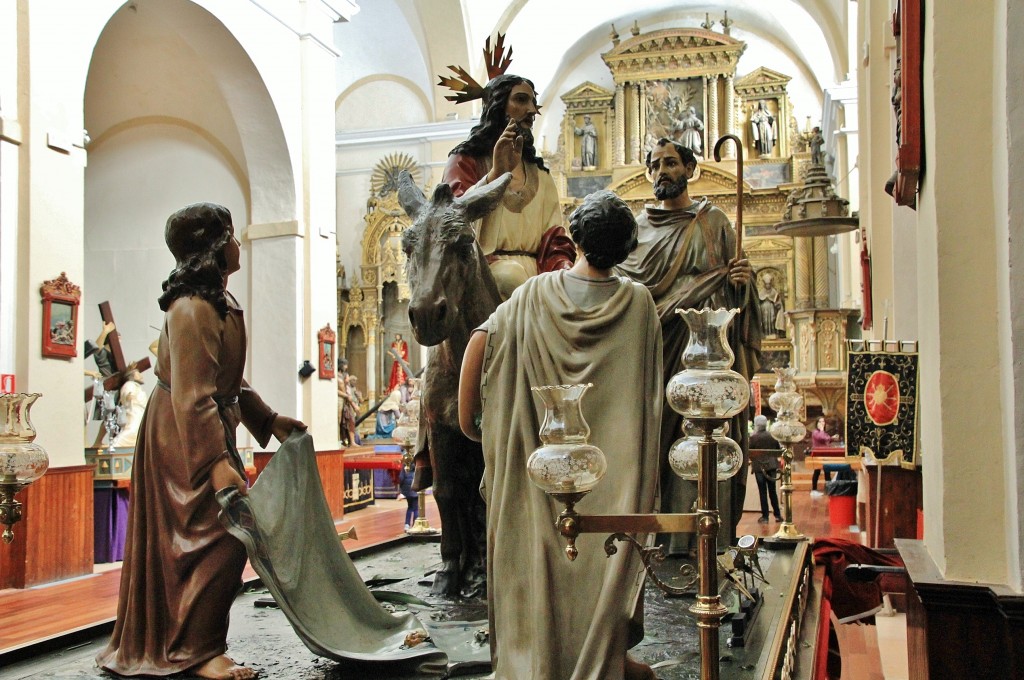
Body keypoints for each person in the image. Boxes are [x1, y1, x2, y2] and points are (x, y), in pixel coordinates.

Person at [96, 202, 305, 680]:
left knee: (219, 537)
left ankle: (199, 643)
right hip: (181, 439)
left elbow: (226, 380)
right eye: (230, 235)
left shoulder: (220, 304)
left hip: (207, 428)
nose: (237, 244)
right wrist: (215, 464)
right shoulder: (189, 310)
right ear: (211, 247)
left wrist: (268, 420)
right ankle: (192, 651)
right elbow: (192, 396)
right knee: (214, 537)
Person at [459, 190, 662, 680]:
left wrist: (473, 424)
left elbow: (480, 341)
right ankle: (606, 655)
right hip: (613, 480)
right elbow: (649, 403)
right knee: (601, 561)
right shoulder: (638, 304)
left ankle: (537, 657)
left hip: (538, 469)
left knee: (538, 563)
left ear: (574, 237)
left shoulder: (533, 294)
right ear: (628, 246)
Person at [615, 138, 762, 552]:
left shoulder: (714, 221)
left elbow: (739, 295)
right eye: (656, 164)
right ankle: (660, 537)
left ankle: (706, 537)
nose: (663, 170)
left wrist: (740, 285)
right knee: (658, 440)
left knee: (706, 437)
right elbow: (625, 288)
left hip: (708, 349)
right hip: (657, 349)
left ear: (689, 169)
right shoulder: (637, 228)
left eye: (672, 162)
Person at [442, 73, 575, 300]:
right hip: (482, 272)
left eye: (534, 102)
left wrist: (563, 268)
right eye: (522, 100)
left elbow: (554, 239)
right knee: (512, 276)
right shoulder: (465, 162)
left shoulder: (541, 175)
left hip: (538, 276)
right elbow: (452, 221)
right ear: (498, 105)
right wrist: (495, 175)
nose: (532, 110)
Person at [749, 414, 783, 523]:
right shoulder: (772, 436)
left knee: (762, 492)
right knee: (773, 491)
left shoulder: (753, 437)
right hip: (772, 466)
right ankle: (778, 515)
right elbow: (778, 450)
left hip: (759, 467)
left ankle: (765, 517)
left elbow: (750, 453)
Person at [110, 367, 148, 449]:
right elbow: (127, 394)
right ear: (132, 375)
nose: (141, 375)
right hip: (134, 411)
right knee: (133, 429)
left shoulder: (136, 386)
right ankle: (116, 445)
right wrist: (129, 396)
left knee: (139, 431)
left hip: (140, 411)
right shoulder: (130, 384)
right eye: (138, 373)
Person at [809, 415, 841, 496]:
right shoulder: (815, 432)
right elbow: (822, 437)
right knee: (817, 472)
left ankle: (829, 489)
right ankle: (814, 489)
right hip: (818, 455)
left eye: (823, 421)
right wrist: (822, 430)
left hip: (825, 454)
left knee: (827, 472)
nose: (822, 423)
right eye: (820, 421)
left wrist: (832, 438)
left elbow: (827, 439)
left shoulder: (823, 432)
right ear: (816, 423)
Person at [398, 461, 418, 529]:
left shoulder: (405, 464)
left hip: (407, 490)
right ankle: (415, 524)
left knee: (410, 507)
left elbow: (401, 478)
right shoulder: (417, 464)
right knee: (416, 508)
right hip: (416, 488)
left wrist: (401, 489)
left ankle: (407, 524)